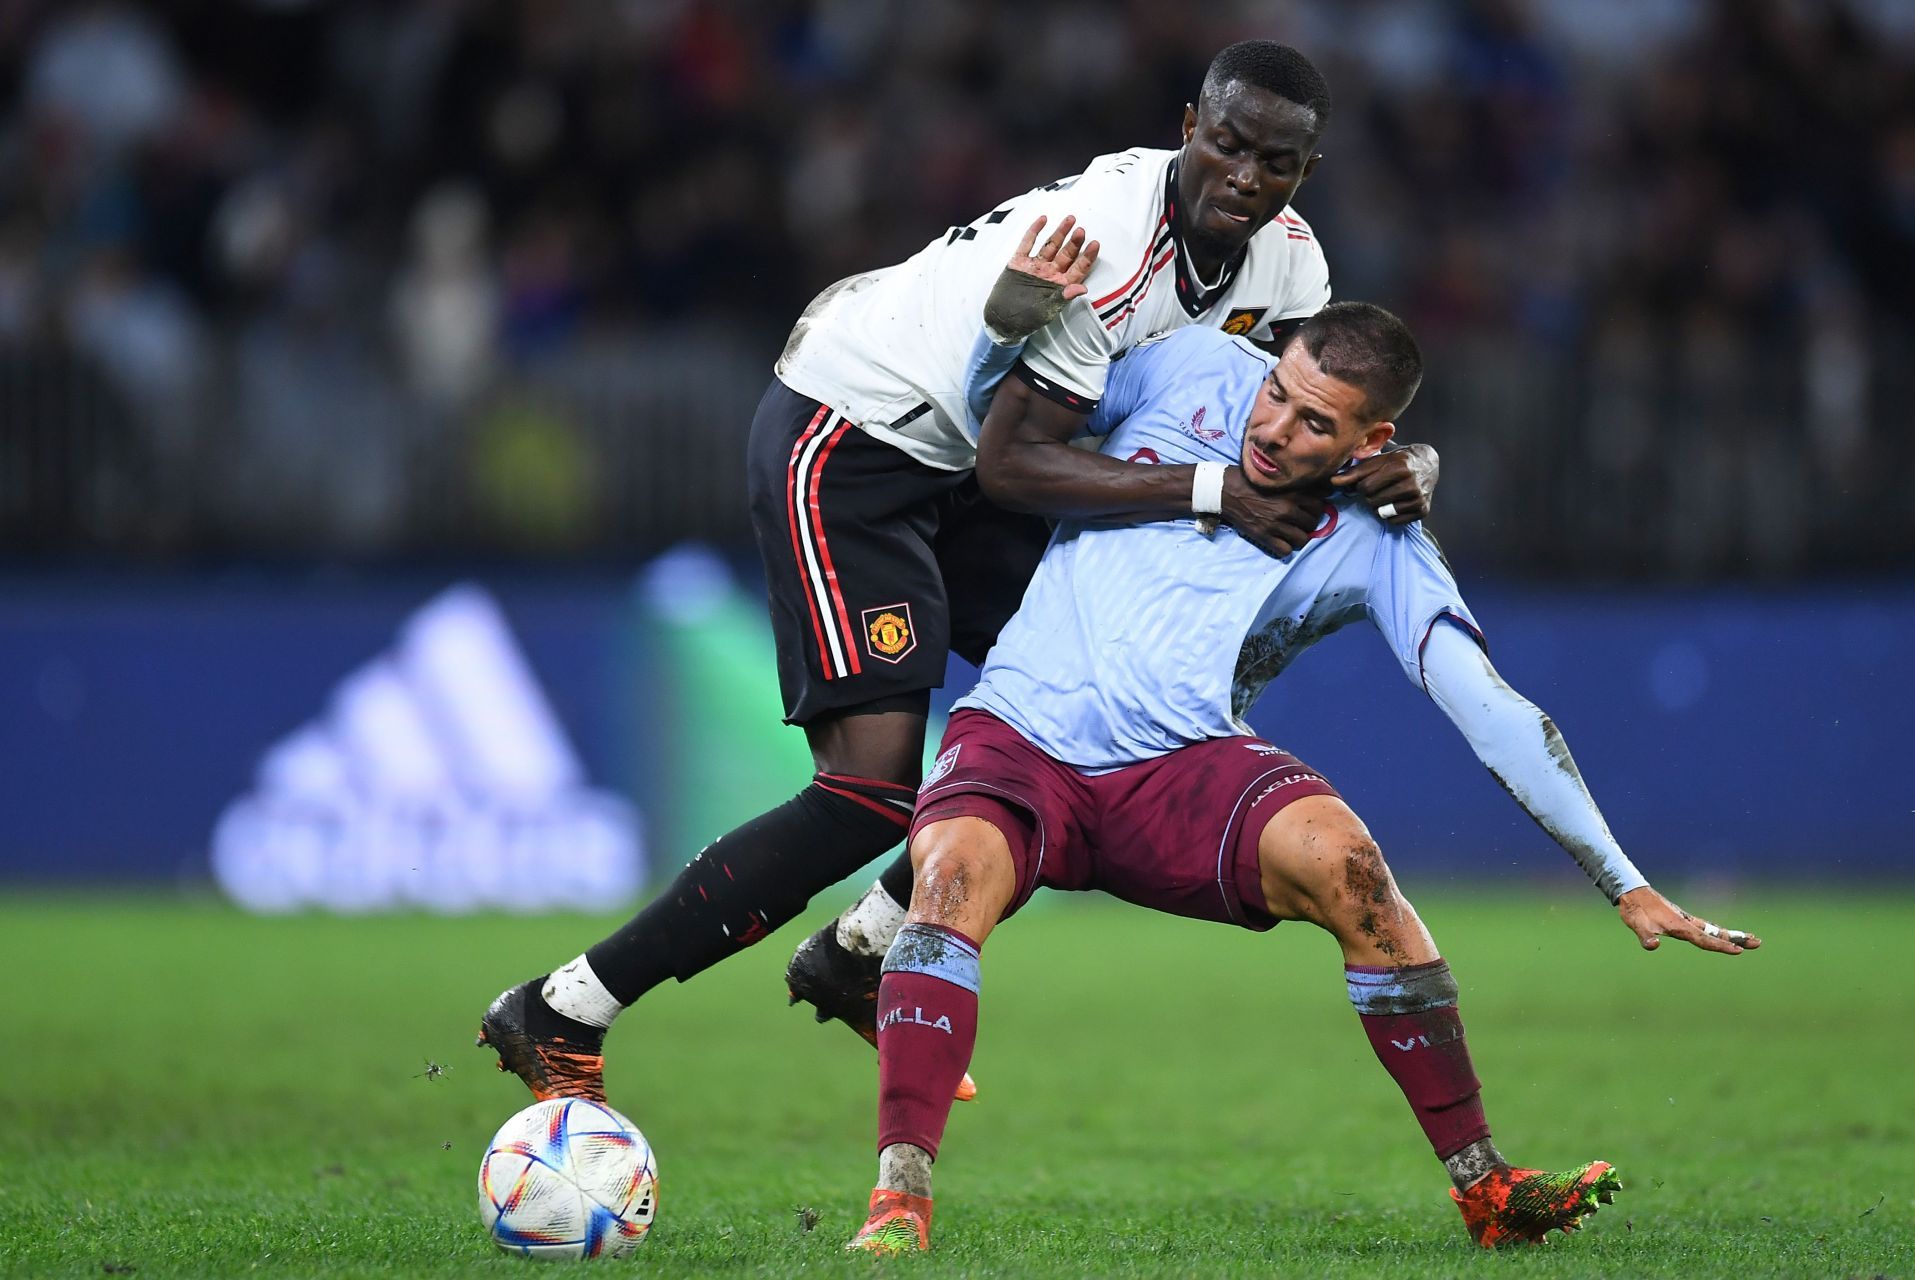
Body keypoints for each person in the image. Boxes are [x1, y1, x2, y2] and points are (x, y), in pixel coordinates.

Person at [478, 42, 1441, 1103]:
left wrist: (1397, 461)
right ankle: (564, 1005)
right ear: (1188, 126)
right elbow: (1017, 461)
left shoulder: (1291, 267)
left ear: (1307, 172)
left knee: (1077, 710)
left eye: (1278, 161)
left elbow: (1299, 417)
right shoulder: (1107, 240)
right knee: (866, 791)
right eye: (1229, 143)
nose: (1247, 177)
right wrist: (1214, 492)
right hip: (854, 439)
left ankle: (858, 949)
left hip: (971, 471)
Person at [841, 304, 1759, 1255]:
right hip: (1021, 734)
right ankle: (899, 1202)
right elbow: (1007, 413)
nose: (1275, 428)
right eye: (1279, 392)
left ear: (1375, 441)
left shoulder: (1382, 541)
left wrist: (1623, 878)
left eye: (1317, 424)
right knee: (947, 877)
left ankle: (1489, 1189)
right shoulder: (1189, 368)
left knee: (1352, 866)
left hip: (1179, 765)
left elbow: (1489, 706)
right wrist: (1004, 326)